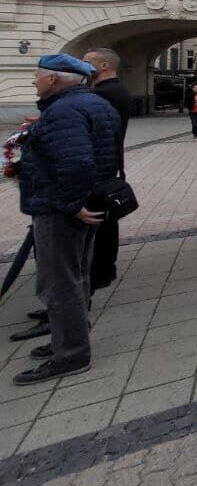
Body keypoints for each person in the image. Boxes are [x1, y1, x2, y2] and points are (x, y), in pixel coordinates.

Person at [14, 55, 121, 385]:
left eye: (37, 76)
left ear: (53, 80)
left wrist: (71, 203)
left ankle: (70, 353)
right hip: (87, 201)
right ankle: (72, 334)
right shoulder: (96, 104)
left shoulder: (64, 110)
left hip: (63, 208)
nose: (34, 80)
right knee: (77, 274)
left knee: (59, 281)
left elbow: (75, 162)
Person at [80, 48, 131, 293]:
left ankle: (100, 271)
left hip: (99, 164)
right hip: (108, 162)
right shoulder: (113, 90)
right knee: (105, 220)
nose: (82, 65)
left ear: (103, 65)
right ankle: (104, 269)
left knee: (101, 221)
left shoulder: (105, 94)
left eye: (87, 62)